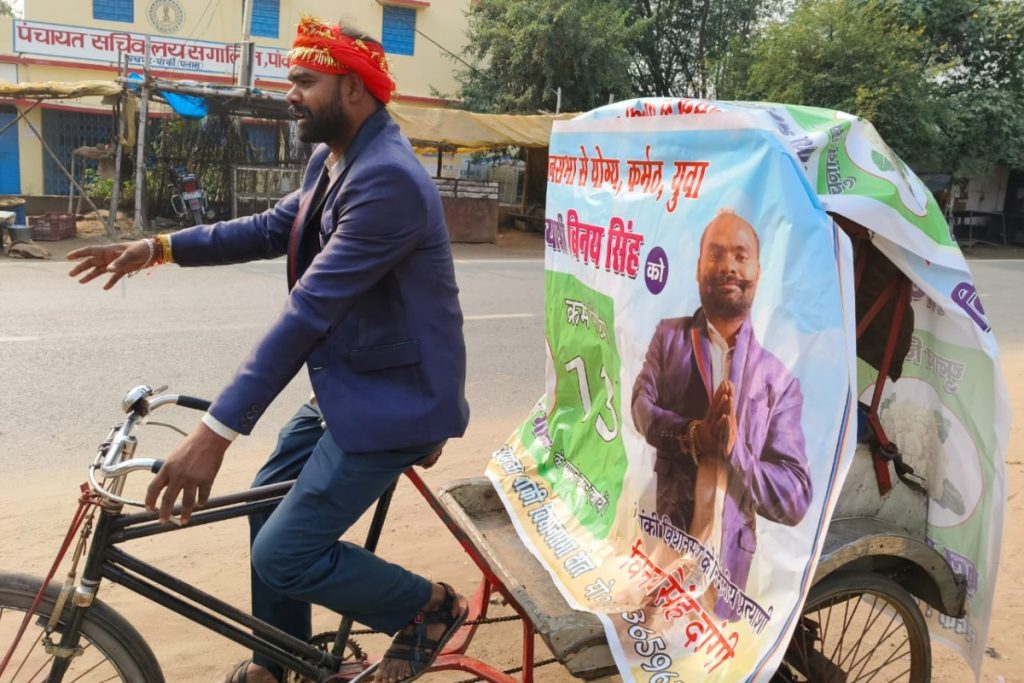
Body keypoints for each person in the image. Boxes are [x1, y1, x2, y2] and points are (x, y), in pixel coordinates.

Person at [67, 16, 470, 683]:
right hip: (352, 384)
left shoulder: (388, 180)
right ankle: (280, 659)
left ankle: (428, 608)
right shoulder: (334, 158)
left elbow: (308, 312)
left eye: (306, 81)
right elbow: (269, 228)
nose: (291, 93)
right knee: (264, 502)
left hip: (398, 402)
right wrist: (159, 247)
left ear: (354, 90)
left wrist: (214, 434)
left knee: (284, 554)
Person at [631, 210, 811, 614]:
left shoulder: (778, 381)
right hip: (664, 543)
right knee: (646, 641)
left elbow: (796, 498)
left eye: (740, 256)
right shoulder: (669, 337)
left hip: (726, 573)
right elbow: (641, 406)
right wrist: (694, 435)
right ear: (698, 267)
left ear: (758, 272)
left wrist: (736, 453)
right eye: (716, 254)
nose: (728, 266)